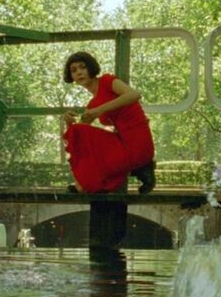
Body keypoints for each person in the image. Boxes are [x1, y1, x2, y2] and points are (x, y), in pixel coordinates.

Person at [62, 51, 156, 194]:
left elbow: (135, 94)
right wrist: (69, 122)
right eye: (74, 70)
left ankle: (143, 167)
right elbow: (80, 136)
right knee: (78, 132)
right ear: (71, 77)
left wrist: (99, 110)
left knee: (99, 172)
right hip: (121, 141)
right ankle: (83, 184)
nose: (79, 73)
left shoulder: (107, 81)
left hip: (138, 140)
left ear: (91, 68)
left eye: (82, 67)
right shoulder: (92, 104)